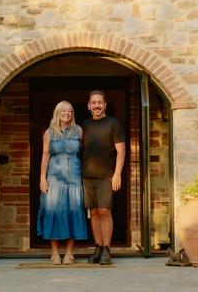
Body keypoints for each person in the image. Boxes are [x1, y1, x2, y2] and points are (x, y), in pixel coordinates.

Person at [37, 101, 87, 265]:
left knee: (73, 211)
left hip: (74, 177)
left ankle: (69, 253)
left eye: (70, 111)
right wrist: (42, 178)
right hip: (54, 177)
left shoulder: (78, 130)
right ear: (57, 112)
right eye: (64, 110)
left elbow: (85, 154)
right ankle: (54, 253)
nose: (67, 113)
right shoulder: (49, 132)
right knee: (54, 211)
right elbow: (45, 155)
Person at [82, 90, 125, 265]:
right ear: (89, 106)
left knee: (105, 211)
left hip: (107, 176)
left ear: (105, 105)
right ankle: (98, 247)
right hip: (87, 176)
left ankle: (107, 249)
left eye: (100, 102)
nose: (97, 105)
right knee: (93, 212)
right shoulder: (84, 125)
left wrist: (117, 174)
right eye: (94, 102)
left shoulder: (113, 123)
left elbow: (121, 151)